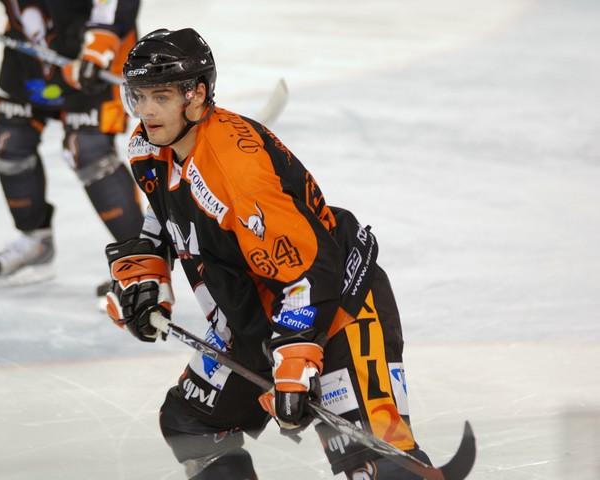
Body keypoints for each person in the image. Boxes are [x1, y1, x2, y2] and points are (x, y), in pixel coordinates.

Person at [104, 28, 432, 479]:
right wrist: (146, 271)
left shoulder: (238, 172)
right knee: (192, 425)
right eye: (139, 96)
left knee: (374, 461)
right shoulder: (149, 147)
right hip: (254, 318)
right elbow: (166, 212)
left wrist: (295, 360)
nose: (146, 111)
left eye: (160, 96)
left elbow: (308, 271)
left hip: (336, 309)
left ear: (196, 95)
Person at [0, 0, 143, 291]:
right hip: (28, 54)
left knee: (88, 150)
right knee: (9, 141)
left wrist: (102, 41)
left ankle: (142, 266)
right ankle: (36, 241)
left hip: (93, 48)